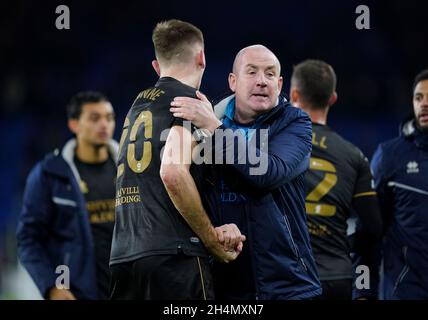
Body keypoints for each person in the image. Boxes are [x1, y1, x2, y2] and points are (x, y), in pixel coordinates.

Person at [170, 44, 322, 300]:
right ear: (233, 81)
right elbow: (188, 189)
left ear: (280, 83)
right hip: (223, 284)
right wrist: (212, 230)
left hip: (288, 286)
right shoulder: (203, 122)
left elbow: (268, 173)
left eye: (270, 74)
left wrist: (215, 129)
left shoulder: (295, 123)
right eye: (251, 72)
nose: (262, 81)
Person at [109, 19, 245, 300]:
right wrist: (211, 239)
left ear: (156, 67)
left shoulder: (136, 106)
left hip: (124, 256)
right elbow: (172, 172)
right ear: (201, 58)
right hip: (173, 257)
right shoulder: (187, 102)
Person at [289, 59, 383, 299]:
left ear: (293, 95)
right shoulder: (355, 156)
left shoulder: (273, 146)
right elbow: (373, 228)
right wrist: (344, 243)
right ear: (333, 98)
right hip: (336, 277)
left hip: (288, 275)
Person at [17, 91, 117, 300]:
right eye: (94, 118)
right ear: (74, 124)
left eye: (109, 118)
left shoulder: (129, 169)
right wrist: (51, 286)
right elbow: (28, 239)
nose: (104, 125)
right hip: (77, 293)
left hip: (128, 289)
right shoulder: (50, 174)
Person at [371, 69, 428, 300]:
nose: (424, 104)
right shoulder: (390, 156)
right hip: (404, 289)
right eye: (418, 98)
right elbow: (370, 230)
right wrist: (363, 290)